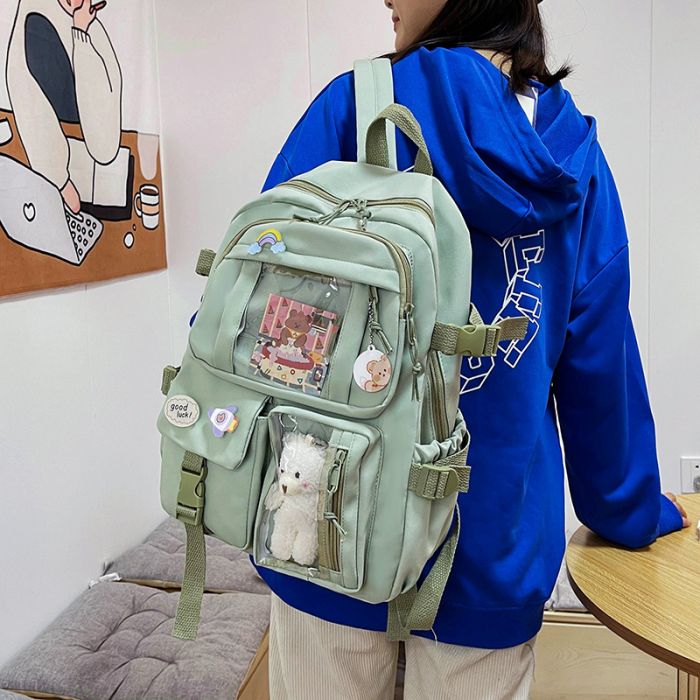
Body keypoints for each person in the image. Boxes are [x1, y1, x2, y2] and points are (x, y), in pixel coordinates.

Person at [256, 1, 692, 698]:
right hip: (493, 543)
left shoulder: (355, 109)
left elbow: (255, 298)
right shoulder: (568, 156)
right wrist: (631, 511)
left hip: (327, 518)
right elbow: (598, 372)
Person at [6, 0, 122, 213]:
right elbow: (23, 91)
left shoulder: (94, 31)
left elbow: (104, 148)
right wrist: (60, 180)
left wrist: (81, 33)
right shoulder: (33, 14)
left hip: (90, 149)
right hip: (53, 148)